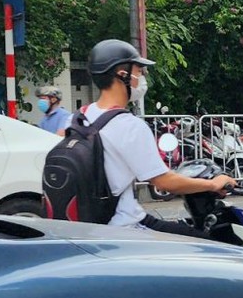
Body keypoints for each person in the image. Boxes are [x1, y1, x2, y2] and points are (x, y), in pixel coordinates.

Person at [77, 39, 234, 236]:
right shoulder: (129, 126)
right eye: (138, 70)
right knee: (207, 241)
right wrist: (213, 184)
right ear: (122, 74)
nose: (141, 77)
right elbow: (164, 182)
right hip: (126, 229)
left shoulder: (78, 117)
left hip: (91, 226)